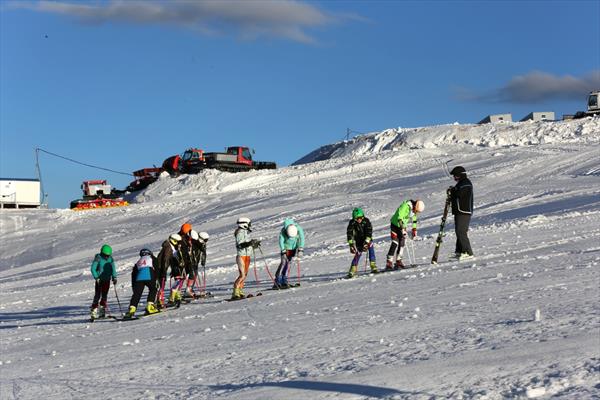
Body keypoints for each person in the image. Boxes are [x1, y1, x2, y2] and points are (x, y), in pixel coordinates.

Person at [386, 199, 425, 270]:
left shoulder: (413, 210)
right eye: (416, 210)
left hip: (402, 226)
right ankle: (389, 262)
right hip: (395, 225)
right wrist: (402, 228)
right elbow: (399, 218)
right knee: (395, 242)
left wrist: (414, 229)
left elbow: (414, 219)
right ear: (415, 206)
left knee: (402, 242)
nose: (416, 212)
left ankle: (398, 261)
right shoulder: (405, 206)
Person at [125, 248, 159, 318]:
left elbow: (134, 274)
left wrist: (134, 286)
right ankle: (150, 307)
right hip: (149, 275)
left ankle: (131, 309)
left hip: (139, 278)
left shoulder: (138, 261)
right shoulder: (151, 258)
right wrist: (158, 278)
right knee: (153, 289)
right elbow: (157, 268)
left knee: (137, 294)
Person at [449, 166, 474, 259]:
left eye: (455, 175)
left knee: (461, 232)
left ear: (459, 175)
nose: (454, 178)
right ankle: (459, 251)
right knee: (459, 232)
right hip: (459, 211)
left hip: (464, 211)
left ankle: (468, 252)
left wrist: (453, 191)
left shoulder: (466, 183)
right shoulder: (461, 183)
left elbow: (459, 194)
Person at [232, 217, 261, 299]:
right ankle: (235, 292)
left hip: (247, 255)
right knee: (242, 275)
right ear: (244, 224)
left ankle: (240, 291)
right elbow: (240, 245)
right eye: (249, 223)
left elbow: (247, 244)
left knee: (245, 275)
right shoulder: (240, 232)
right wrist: (249, 243)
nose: (249, 225)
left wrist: (254, 245)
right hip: (241, 256)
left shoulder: (246, 232)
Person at [346, 208, 377, 278]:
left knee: (371, 248)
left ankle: (373, 265)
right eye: (357, 218)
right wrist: (351, 244)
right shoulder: (352, 223)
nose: (359, 219)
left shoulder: (366, 221)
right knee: (358, 252)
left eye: (360, 218)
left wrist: (366, 242)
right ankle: (353, 268)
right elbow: (349, 234)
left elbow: (369, 231)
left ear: (363, 216)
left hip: (367, 238)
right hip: (359, 240)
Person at [274, 218, 305, 289]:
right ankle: (277, 279)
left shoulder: (298, 228)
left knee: (288, 263)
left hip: (293, 248)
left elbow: (302, 238)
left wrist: (301, 249)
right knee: (283, 262)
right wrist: (283, 250)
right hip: (285, 248)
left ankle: (284, 279)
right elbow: (281, 241)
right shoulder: (283, 231)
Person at [90, 244, 118, 320]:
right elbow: (93, 269)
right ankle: (93, 311)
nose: (106, 257)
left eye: (108, 255)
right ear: (102, 253)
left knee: (104, 295)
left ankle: (102, 312)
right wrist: (96, 277)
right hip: (100, 280)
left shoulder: (110, 259)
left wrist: (114, 276)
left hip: (107, 279)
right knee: (97, 295)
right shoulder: (98, 258)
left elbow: (113, 268)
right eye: (105, 255)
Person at [156, 233, 183, 308]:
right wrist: (164, 270)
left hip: (162, 268)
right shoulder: (168, 248)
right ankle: (159, 301)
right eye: (177, 242)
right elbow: (165, 259)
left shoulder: (171, 247)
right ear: (174, 241)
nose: (178, 244)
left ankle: (159, 301)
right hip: (160, 268)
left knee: (162, 284)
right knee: (161, 284)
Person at [187, 230, 209, 297]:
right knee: (192, 275)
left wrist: (203, 260)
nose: (205, 242)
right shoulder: (194, 243)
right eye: (205, 240)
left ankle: (190, 289)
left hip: (195, 262)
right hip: (190, 262)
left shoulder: (200, 244)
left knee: (195, 274)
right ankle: (188, 290)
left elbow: (203, 253)